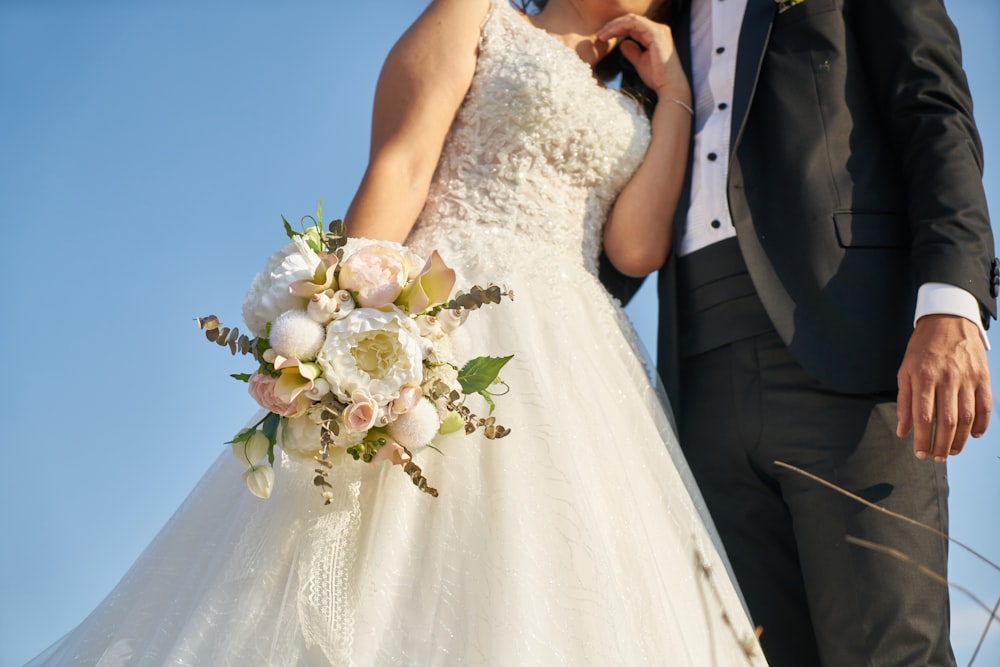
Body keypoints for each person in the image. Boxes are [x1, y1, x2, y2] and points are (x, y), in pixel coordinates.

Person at [27, 1, 768, 664]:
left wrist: (673, 96)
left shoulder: (638, 106)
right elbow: (401, 165)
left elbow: (635, 247)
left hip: (571, 359)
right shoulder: (477, 16)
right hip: (444, 314)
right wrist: (342, 331)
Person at [602, 0, 997, 665]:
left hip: (853, 353)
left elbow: (933, 108)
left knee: (889, 653)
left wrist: (951, 300)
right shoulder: (651, 14)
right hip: (696, 384)